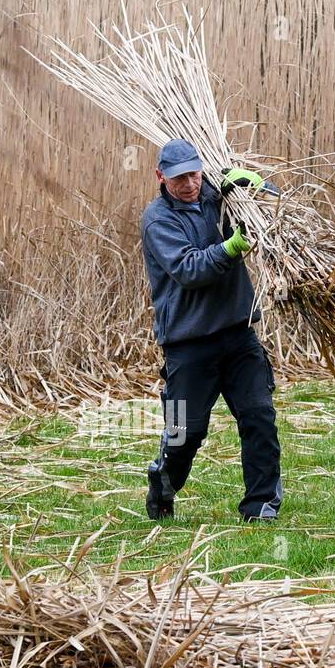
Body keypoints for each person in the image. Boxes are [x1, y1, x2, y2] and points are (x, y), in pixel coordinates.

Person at [140, 138, 283, 522]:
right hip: (188, 346)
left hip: (238, 335)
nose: (188, 183)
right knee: (185, 436)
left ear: (201, 167)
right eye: (177, 178)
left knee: (259, 418)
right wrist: (231, 247)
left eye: (193, 173)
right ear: (160, 176)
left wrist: (257, 187)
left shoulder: (221, 195)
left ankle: (261, 508)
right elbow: (188, 270)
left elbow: (279, 214)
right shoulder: (158, 219)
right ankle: (163, 485)